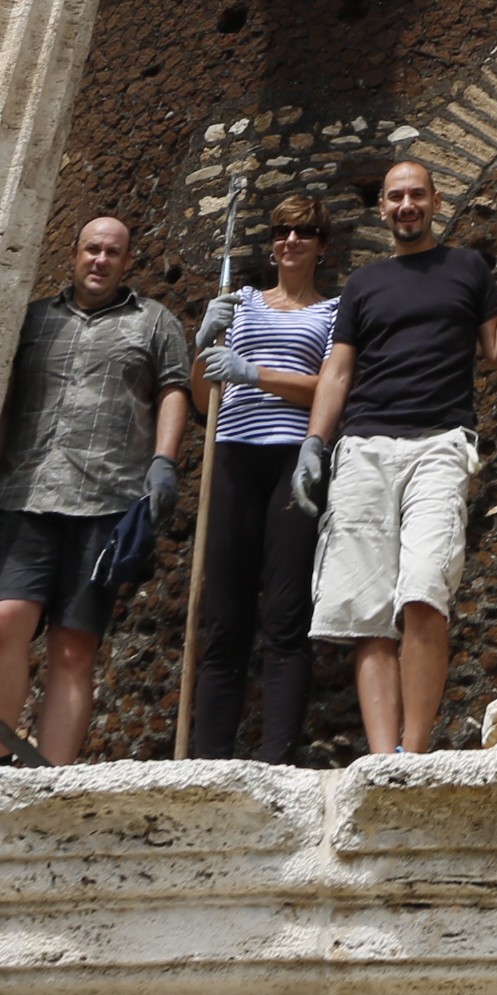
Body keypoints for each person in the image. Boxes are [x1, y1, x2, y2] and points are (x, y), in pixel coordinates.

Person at [295, 157, 497, 757]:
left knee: (423, 592)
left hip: (441, 441)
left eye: (417, 194)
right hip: (363, 444)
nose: (406, 205)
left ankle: (413, 756)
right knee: (367, 610)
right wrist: (315, 442)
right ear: (383, 208)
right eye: (395, 197)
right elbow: (338, 370)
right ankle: (382, 757)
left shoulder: (468, 266)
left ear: (436, 202)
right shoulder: (365, 283)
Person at [0, 211, 192, 764]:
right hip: (26, 492)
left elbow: (173, 390)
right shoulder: (30, 322)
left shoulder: (154, 321)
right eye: (92, 249)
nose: (101, 260)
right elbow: (3, 401)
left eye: (112, 253)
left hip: (107, 500)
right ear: (74, 253)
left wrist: (164, 462)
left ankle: (51, 775)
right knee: (3, 625)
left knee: (74, 647)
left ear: (127, 262)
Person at [187, 192, 340, 759]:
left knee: (284, 611)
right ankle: (207, 761)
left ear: (322, 246)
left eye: (303, 232)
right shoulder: (241, 304)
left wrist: (253, 372)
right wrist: (204, 344)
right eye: (281, 231)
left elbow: (329, 386)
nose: (290, 241)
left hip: (290, 459)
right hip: (232, 454)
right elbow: (206, 401)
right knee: (223, 615)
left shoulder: (332, 312)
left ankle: (276, 757)